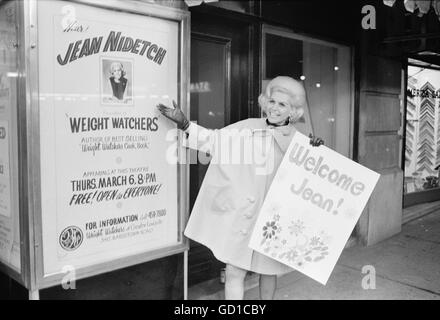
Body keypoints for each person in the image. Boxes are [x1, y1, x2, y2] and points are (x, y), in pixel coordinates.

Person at [157, 76, 323, 300]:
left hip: (272, 221)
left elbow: (311, 180)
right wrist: (185, 123)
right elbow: (213, 141)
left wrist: (317, 153)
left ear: (293, 110)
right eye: (272, 101)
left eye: (282, 104)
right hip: (243, 215)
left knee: (268, 271)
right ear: (265, 101)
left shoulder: (300, 142)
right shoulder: (247, 127)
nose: (274, 108)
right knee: (235, 271)